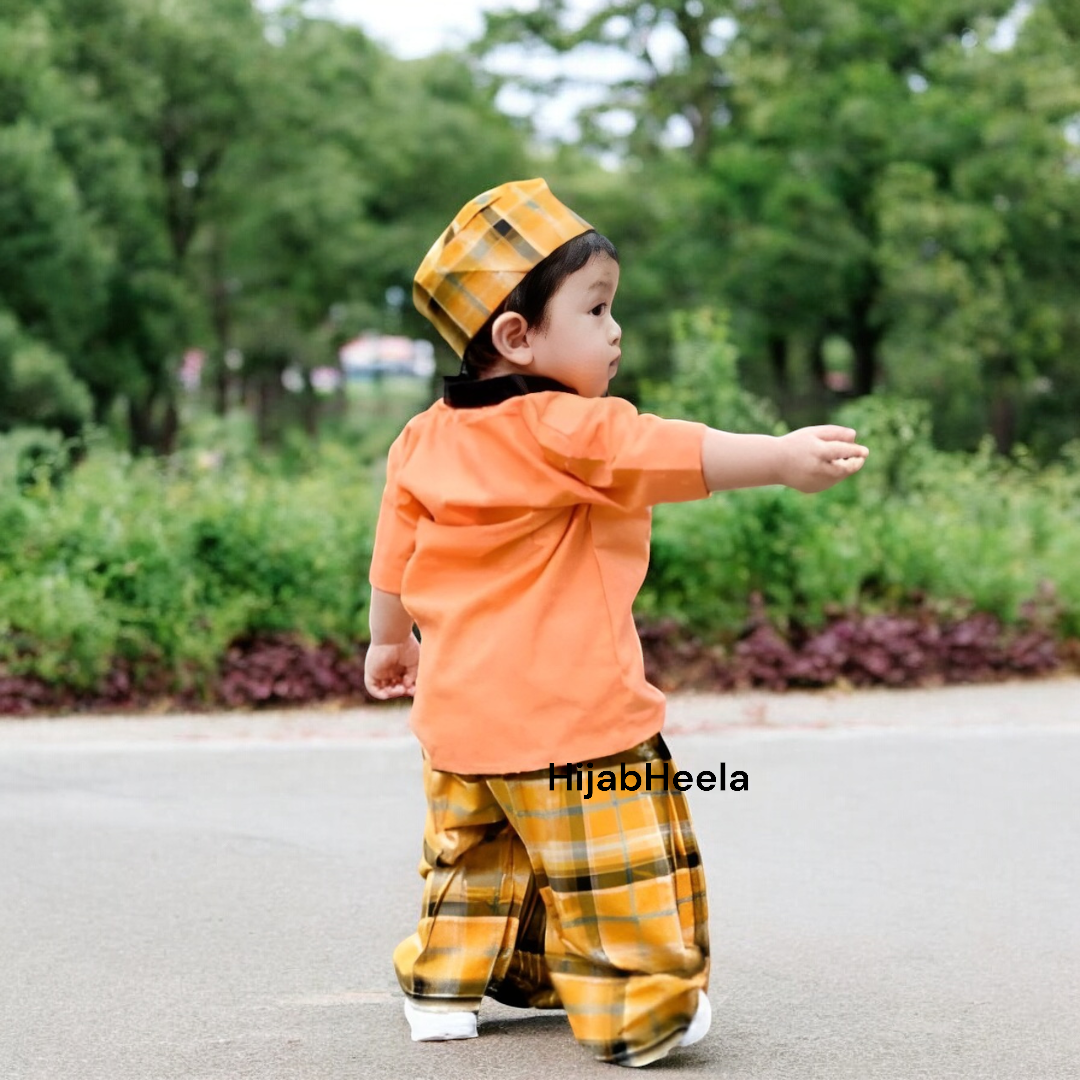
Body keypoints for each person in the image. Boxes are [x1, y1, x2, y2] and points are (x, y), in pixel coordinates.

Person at [365, 178, 868, 1067]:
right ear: (516, 337)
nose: (615, 331)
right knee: (612, 866)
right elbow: (670, 451)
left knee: (471, 859)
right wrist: (781, 458)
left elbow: (393, 555)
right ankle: (642, 1010)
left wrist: (387, 640)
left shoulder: (422, 438)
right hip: (569, 722)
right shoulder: (566, 427)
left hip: (456, 721)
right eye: (595, 309)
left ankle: (439, 995)